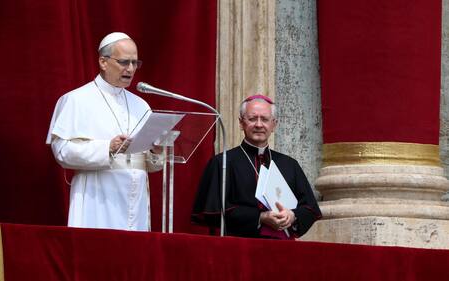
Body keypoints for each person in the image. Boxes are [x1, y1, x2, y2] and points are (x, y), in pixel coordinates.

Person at [46, 32, 163, 231]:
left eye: (135, 63)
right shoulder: (76, 100)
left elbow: (151, 164)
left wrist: (156, 153)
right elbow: (62, 151)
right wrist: (107, 147)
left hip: (137, 199)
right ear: (103, 62)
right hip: (97, 196)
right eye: (124, 62)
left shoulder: (141, 105)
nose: (131, 69)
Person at [192, 95, 321, 239]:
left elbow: (310, 208)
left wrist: (292, 216)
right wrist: (260, 217)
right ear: (241, 123)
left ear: (274, 125)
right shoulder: (222, 162)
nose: (259, 124)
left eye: (265, 119)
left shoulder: (289, 164)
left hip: (282, 249)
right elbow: (214, 211)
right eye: (252, 119)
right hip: (239, 248)